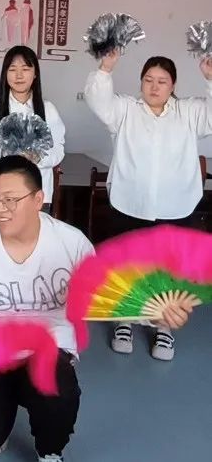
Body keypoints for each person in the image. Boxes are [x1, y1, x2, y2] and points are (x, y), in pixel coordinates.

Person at [0, 156, 94, 462]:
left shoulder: (72, 243)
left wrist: (149, 311)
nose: (0, 209)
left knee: (57, 391)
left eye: (11, 199)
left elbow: (101, 297)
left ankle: (49, 449)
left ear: (38, 200)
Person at [84, 49, 212, 360]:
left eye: (162, 81)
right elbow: (97, 100)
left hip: (175, 207)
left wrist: (210, 78)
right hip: (129, 204)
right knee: (127, 266)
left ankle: (163, 327)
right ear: (141, 82)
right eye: (148, 80)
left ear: (173, 85)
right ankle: (124, 321)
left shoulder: (189, 112)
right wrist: (106, 67)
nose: (154, 87)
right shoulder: (126, 109)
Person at [0, 46, 65, 213]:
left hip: (37, 195)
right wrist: (5, 153)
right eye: (12, 69)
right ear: (5, 74)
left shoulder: (48, 109)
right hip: (1, 196)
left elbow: (58, 151)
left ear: (35, 73)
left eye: (25, 69)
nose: (19, 75)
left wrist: (36, 158)